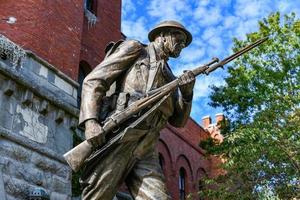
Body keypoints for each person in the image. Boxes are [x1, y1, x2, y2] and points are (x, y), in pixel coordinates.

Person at [79, 20, 195, 200]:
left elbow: (177, 121)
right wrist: (91, 122)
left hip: (146, 146)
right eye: (178, 38)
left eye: (184, 43)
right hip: (120, 134)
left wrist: (186, 95)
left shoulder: (170, 77)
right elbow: (94, 81)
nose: (182, 45)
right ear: (162, 35)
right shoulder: (135, 49)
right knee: (98, 196)